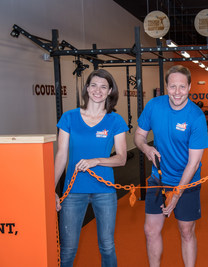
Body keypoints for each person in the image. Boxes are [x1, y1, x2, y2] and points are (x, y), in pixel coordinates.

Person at [134, 65, 208, 267]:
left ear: (190, 87)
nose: (177, 92)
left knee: (186, 231)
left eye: (182, 87)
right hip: (158, 178)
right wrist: (146, 148)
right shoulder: (154, 106)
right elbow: (139, 136)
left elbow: (193, 164)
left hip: (187, 181)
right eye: (172, 86)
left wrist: (175, 196)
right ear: (166, 86)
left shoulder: (196, 117)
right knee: (150, 230)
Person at [54, 69, 128, 267]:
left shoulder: (115, 121)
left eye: (103, 86)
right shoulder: (69, 118)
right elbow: (61, 155)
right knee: (67, 249)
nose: (98, 90)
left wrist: (97, 160)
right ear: (87, 88)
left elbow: (121, 158)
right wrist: (51, 189)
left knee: (107, 246)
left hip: (104, 191)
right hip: (73, 191)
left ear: (109, 91)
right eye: (94, 85)